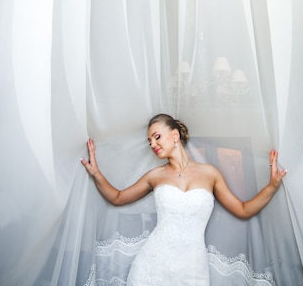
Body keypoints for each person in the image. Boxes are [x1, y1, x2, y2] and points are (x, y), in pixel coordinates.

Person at [81, 113, 287, 285]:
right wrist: (96, 172)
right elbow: (117, 197)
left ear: (175, 135)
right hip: (151, 266)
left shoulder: (210, 174)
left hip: (193, 269)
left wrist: (272, 186)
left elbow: (243, 210)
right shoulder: (155, 176)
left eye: (157, 137)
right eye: (149, 140)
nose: (152, 144)